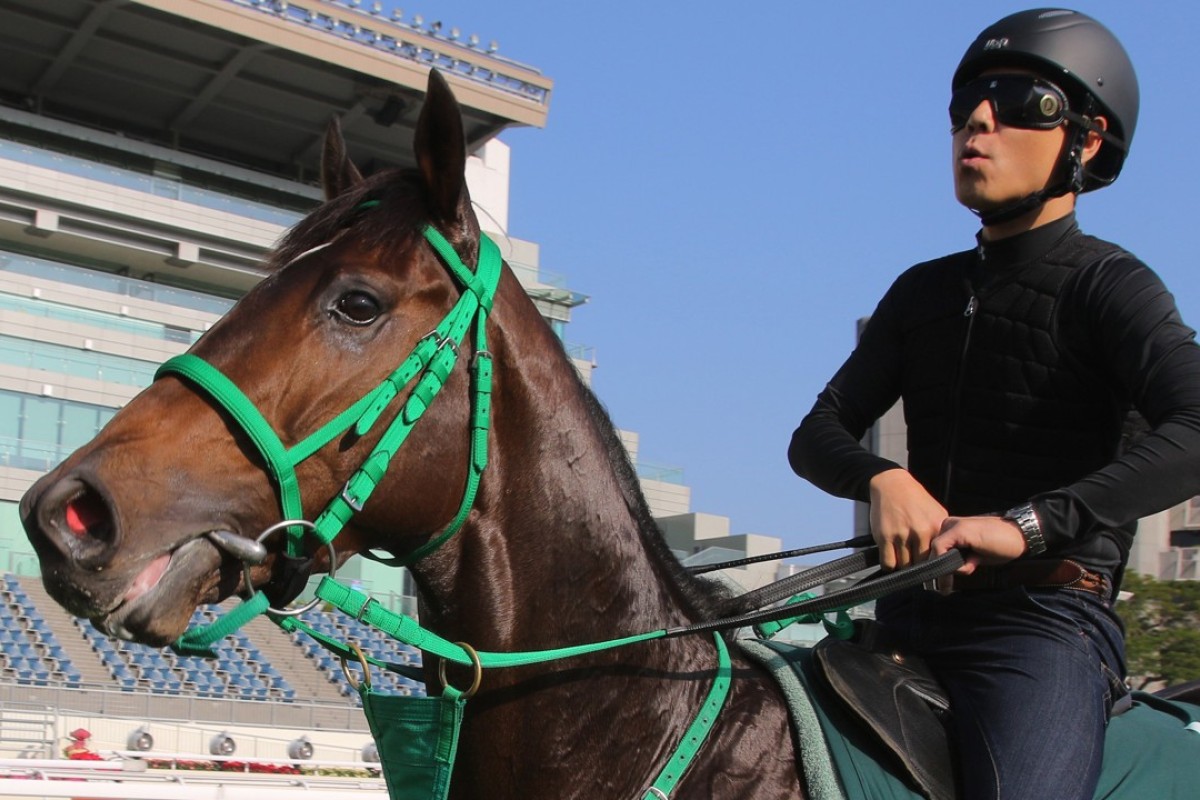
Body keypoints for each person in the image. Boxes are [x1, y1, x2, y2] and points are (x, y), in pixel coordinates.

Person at [789, 8, 1200, 800]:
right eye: (966, 106)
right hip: (903, 616)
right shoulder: (921, 293)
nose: (978, 120)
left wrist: (1029, 525)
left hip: (1042, 629)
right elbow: (816, 434)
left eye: (1021, 102)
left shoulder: (1112, 286)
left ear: (1085, 141)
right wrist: (881, 479)